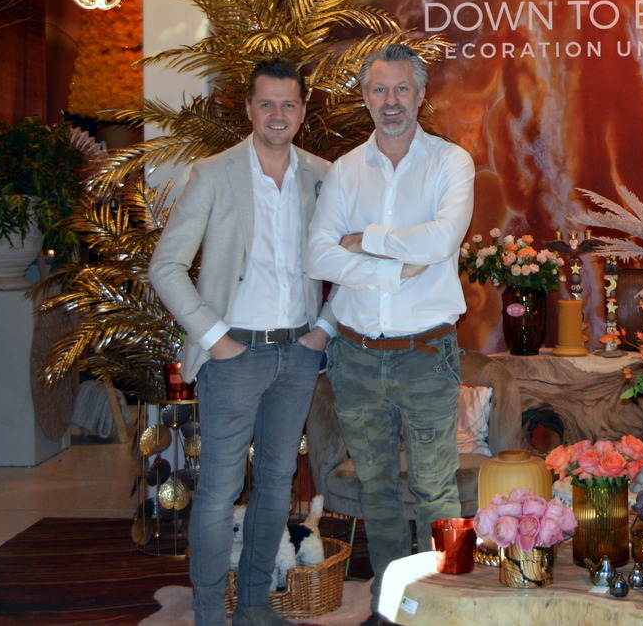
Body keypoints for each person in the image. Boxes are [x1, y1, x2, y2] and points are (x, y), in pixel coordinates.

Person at [150, 59, 333, 626]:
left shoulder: (324, 176)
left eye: (289, 104)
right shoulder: (214, 173)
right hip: (233, 356)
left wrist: (323, 329)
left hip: (297, 354)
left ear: (302, 110)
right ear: (250, 108)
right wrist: (215, 337)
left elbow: (351, 260)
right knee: (219, 490)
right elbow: (166, 265)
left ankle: (253, 605)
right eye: (267, 103)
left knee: (277, 485)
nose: (278, 114)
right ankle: (209, 612)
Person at [306, 43, 474, 625]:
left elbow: (441, 240)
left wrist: (367, 240)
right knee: (376, 491)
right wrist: (395, 268)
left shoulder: (451, 162)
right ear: (364, 97)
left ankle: (451, 606)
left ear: (421, 94)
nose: (391, 101)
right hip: (355, 356)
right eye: (379, 89)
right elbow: (318, 255)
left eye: (402, 88)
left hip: (426, 353)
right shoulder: (345, 170)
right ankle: (393, 606)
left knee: (437, 490)